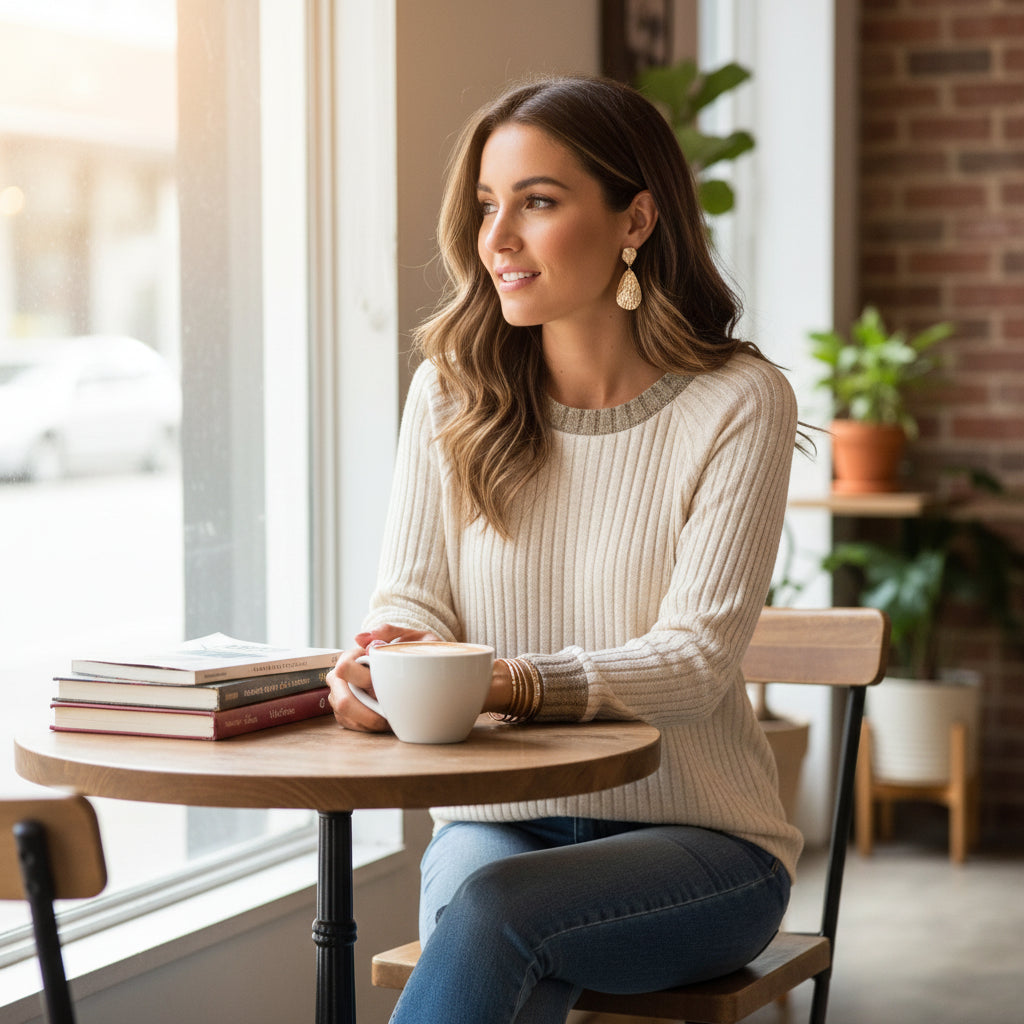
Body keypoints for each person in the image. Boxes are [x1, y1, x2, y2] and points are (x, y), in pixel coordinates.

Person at [326, 74, 803, 1024]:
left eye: (537, 203)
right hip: (500, 823)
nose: (496, 239)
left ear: (636, 219)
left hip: (700, 843)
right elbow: (413, 599)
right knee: (490, 910)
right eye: (486, 206)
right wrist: (387, 657)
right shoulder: (451, 391)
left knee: (497, 919)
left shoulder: (739, 402)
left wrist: (499, 683)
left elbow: (696, 663)